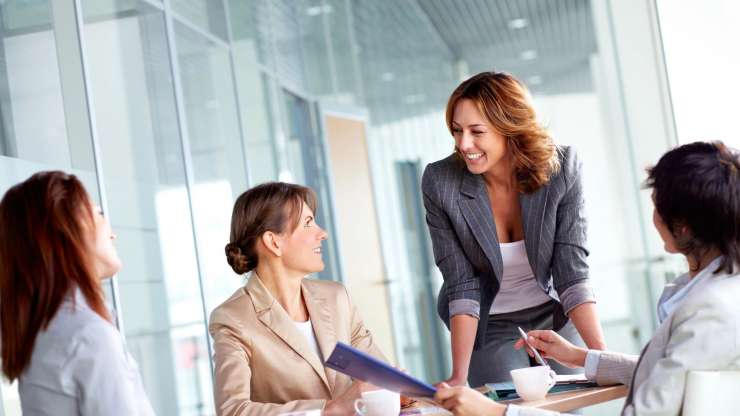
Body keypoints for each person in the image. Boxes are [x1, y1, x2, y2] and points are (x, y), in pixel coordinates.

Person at [434, 141, 740, 416]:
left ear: (683, 226)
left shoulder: (711, 313)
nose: (653, 218)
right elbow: (672, 372)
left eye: (657, 205)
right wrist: (583, 357)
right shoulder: (721, 294)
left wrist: (497, 414)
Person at [422, 71, 606, 387]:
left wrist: (602, 358)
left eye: (476, 132)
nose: (464, 144)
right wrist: (458, 378)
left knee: (569, 404)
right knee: (509, 404)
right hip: (489, 319)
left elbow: (571, 270)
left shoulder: (561, 168)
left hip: (554, 312)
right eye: (457, 131)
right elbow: (461, 282)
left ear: (510, 128)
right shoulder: (441, 183)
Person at [209, 182, 388, 416]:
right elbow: (233, 410)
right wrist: (329, 410)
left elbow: (381, 378)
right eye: (308, 223)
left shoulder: (336, 298)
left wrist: (408, 392)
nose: (322, 233)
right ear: (274, 242)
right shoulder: (233, 319)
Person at [0, 171, 154, 415]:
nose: (113, 233)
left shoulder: (40, 331)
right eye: (99, 213)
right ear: (71, 228)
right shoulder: (87, 337)